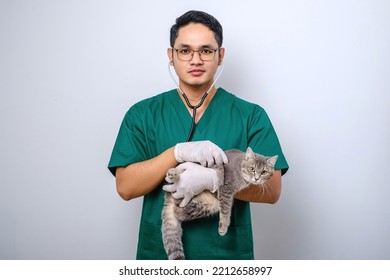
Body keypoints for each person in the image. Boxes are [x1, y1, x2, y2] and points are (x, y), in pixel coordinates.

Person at [108, 10, 289, 260]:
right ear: (171, 56)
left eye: (206, 50)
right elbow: (125, 187)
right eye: (185, 50)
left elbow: (273, 191)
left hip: (226, 258)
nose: (196, 60)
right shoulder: (142, 115)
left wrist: (214, 181)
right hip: (160, 257)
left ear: (220, 55)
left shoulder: (250, 116)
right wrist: (175, 153)